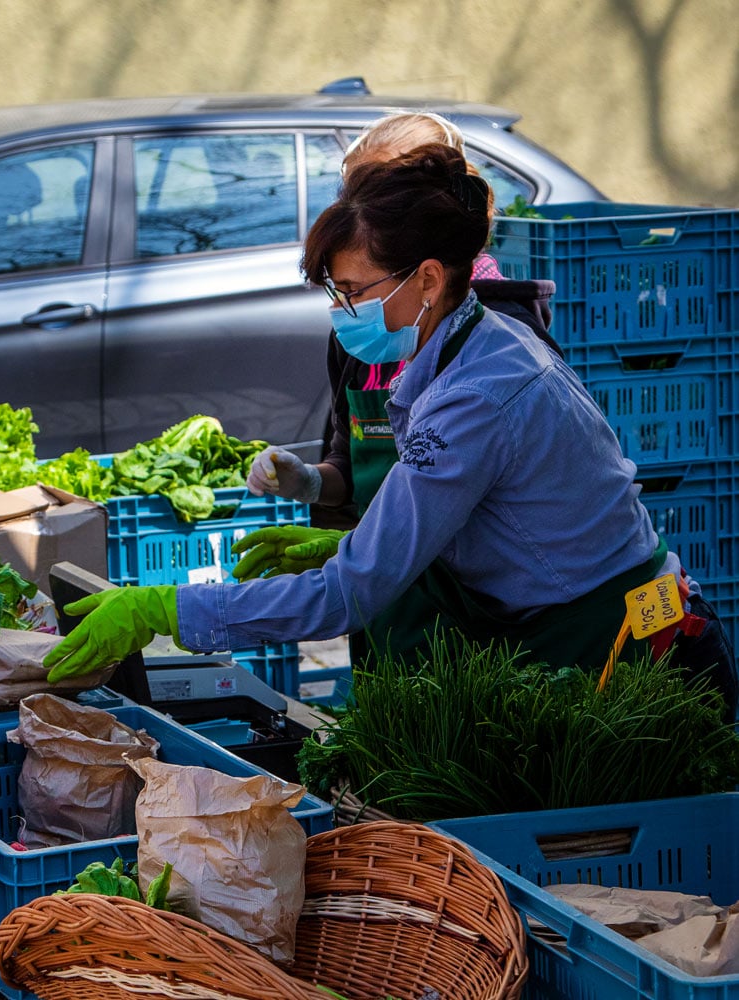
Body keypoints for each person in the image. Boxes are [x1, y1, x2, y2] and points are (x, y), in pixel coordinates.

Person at [43, 146, 737, 720]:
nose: (341, 311)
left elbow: (346, 596)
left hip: (627, 653)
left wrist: (167, 606)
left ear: (427, 279)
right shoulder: (476, 343)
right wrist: (347, 540)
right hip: (595, 617)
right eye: (333, 293)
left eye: (353, 290)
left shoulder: (476, 396)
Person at [242, 113, 557, 577]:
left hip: (478, 601)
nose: (361, 218)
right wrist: (308, 482)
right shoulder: (363, 325)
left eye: (380, 199)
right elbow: (349, 467)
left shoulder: (502, 346)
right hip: (387, 589)